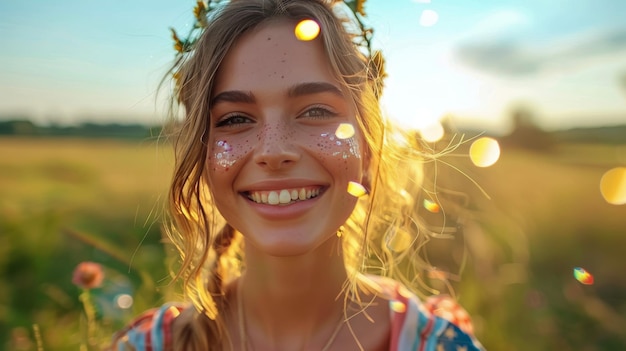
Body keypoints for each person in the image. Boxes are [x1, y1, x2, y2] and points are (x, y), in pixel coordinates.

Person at [110, 0, 486, 350]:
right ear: (203, 160)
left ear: (368, 154)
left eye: (316, 111)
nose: (274, 152)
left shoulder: (438, 343)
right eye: (235, 119)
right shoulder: (151, 344)